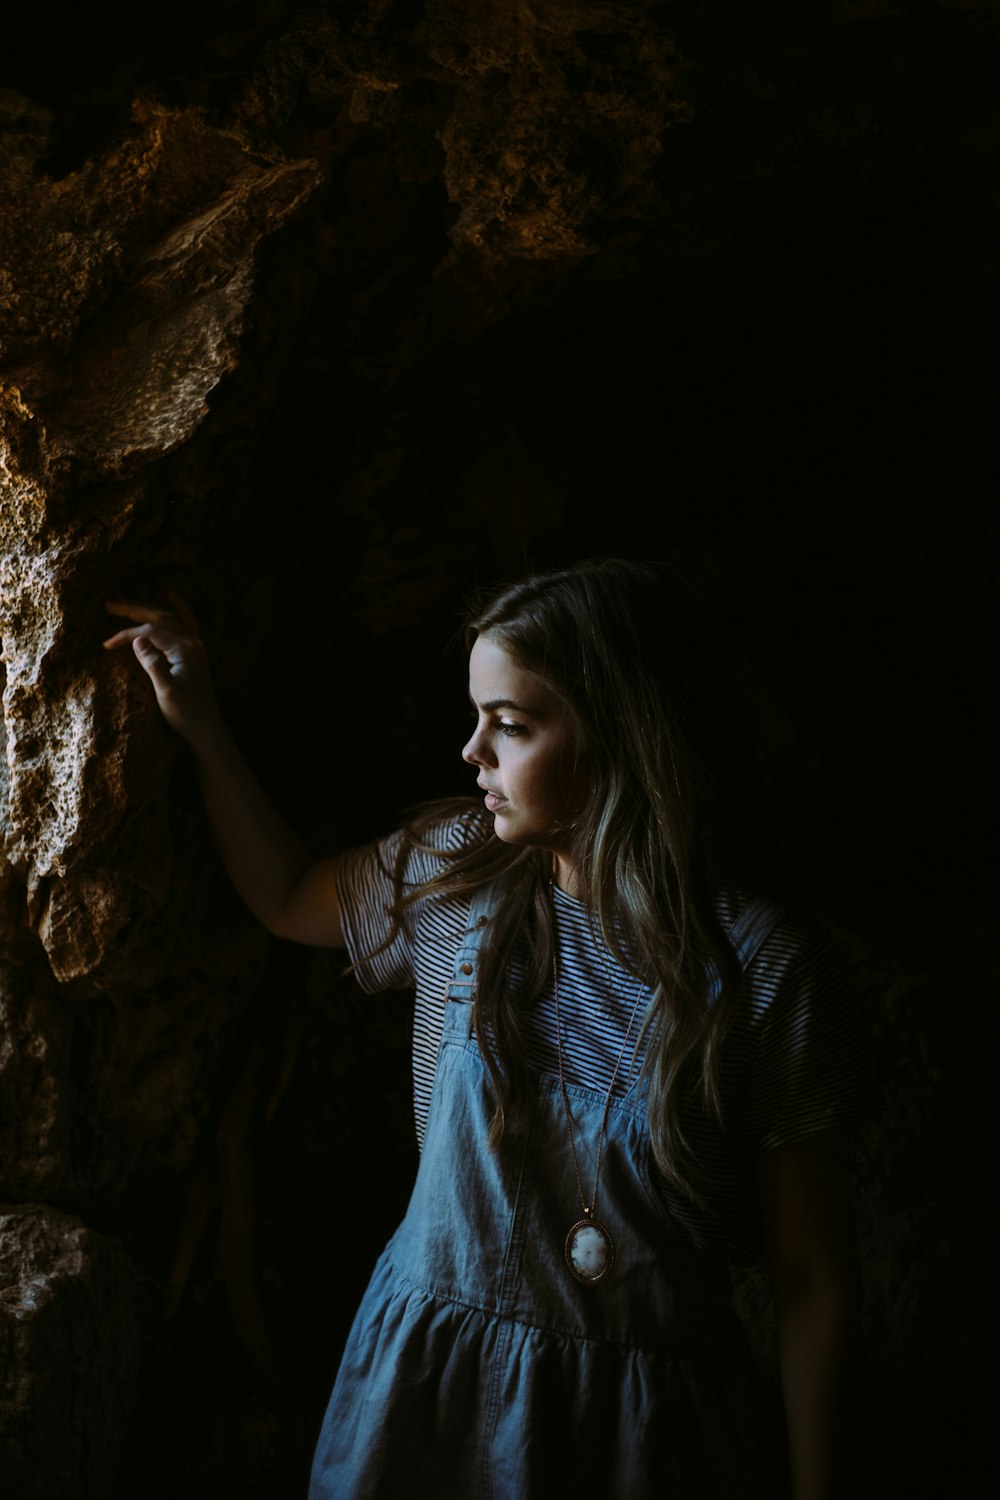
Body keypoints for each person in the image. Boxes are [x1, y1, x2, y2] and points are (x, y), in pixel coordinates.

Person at [104, 559, 872, 1500]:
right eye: (478, 716)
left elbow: (812, 1278)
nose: (473, 751)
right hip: (422, 1397)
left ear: (625, 734)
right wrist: (202, 726)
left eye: (511, 724)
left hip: (637, 1434)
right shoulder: (454, 873)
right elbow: (285, 898)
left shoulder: (765, 966)